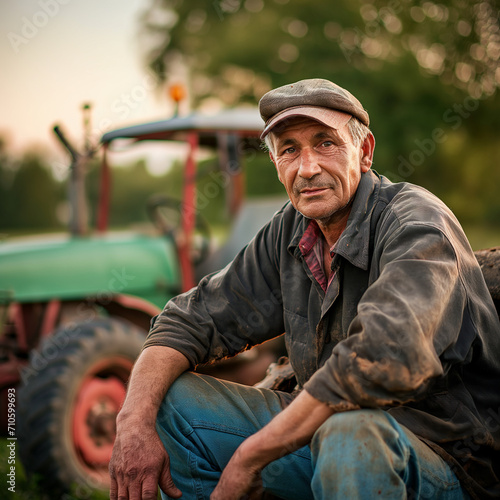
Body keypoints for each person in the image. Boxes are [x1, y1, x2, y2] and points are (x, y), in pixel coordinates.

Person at [109, 78, 500, 500]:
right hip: (321, 435)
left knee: (351, 434)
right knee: (170, 401)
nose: (307, 167)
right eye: (289, 149)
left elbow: (380, 356)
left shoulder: (415, 223)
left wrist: (249, 457)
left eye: (325, 143)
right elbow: (189, 319)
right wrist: (131, 424)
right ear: (277, 163)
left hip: (445, 462)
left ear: (364, 152)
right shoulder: (291, 230)